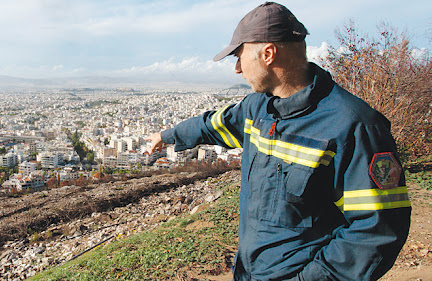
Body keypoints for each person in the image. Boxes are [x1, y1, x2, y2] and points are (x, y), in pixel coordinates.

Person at [145, 2, 411, 280]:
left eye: (239, 56)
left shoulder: (353, 125)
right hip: (250, 271)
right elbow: (213, 124)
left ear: (268, 54)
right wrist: (165, 136)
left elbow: (377, 229)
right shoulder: (258, 108)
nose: (237, 68)